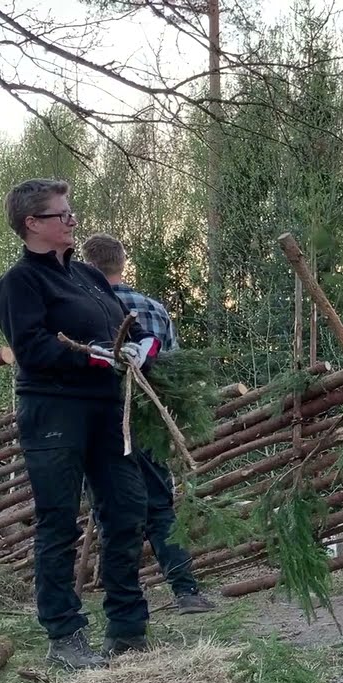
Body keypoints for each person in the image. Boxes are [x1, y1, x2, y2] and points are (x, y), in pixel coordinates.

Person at [0, 178, 161, 669]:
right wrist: (96, 357)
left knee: (127, 511)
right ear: (32, 224)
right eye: (62, 214)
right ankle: (65, 635)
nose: (73, 221)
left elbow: (122, 327)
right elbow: (33, 348)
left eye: (71, 213)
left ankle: (128, 628)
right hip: (54, 411)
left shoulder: (88, 276)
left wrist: (137, 350)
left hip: (108, 411)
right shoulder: (20, 283)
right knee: (58, 522)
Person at [80, 232, 216, 615]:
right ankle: (185, 590)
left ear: (88, 266)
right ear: (122, 263)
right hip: (149, 419)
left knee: (110, 507)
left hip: (102, 419)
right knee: (159, 505)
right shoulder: (152, 309)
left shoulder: (81, 307)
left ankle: (120, 594)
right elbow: (171, 366)